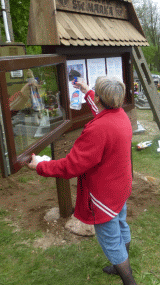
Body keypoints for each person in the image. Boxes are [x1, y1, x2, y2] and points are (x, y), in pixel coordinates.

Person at [27, 76, 137, 285]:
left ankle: (128, 280)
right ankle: (121, 263)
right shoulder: (120, 115)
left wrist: (40, 166)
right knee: (121, 223)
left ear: (101, 99)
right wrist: (87, 91)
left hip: (104, 195)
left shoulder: (98, 129)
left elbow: (70, 166)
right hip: (121, 185)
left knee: (111, 241)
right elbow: (101, 112)